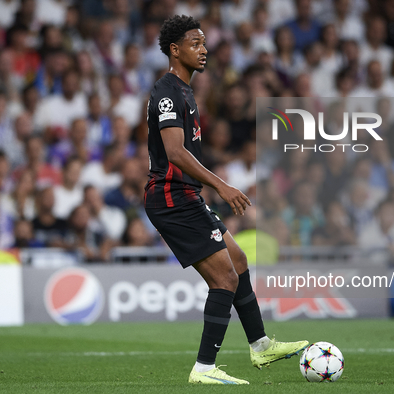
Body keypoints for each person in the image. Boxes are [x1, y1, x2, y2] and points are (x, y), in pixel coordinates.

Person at [145, 16, 308, 385]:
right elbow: (174, 151)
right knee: (224, 279)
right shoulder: (168, 91)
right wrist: (222, 185)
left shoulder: (186, 91)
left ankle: (261, 344)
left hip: (184, 195)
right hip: (172, 197)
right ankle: (204, 369)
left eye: (204, 43)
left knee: (237, 259)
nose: (203, 50)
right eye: (194, 43)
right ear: (175, 49)